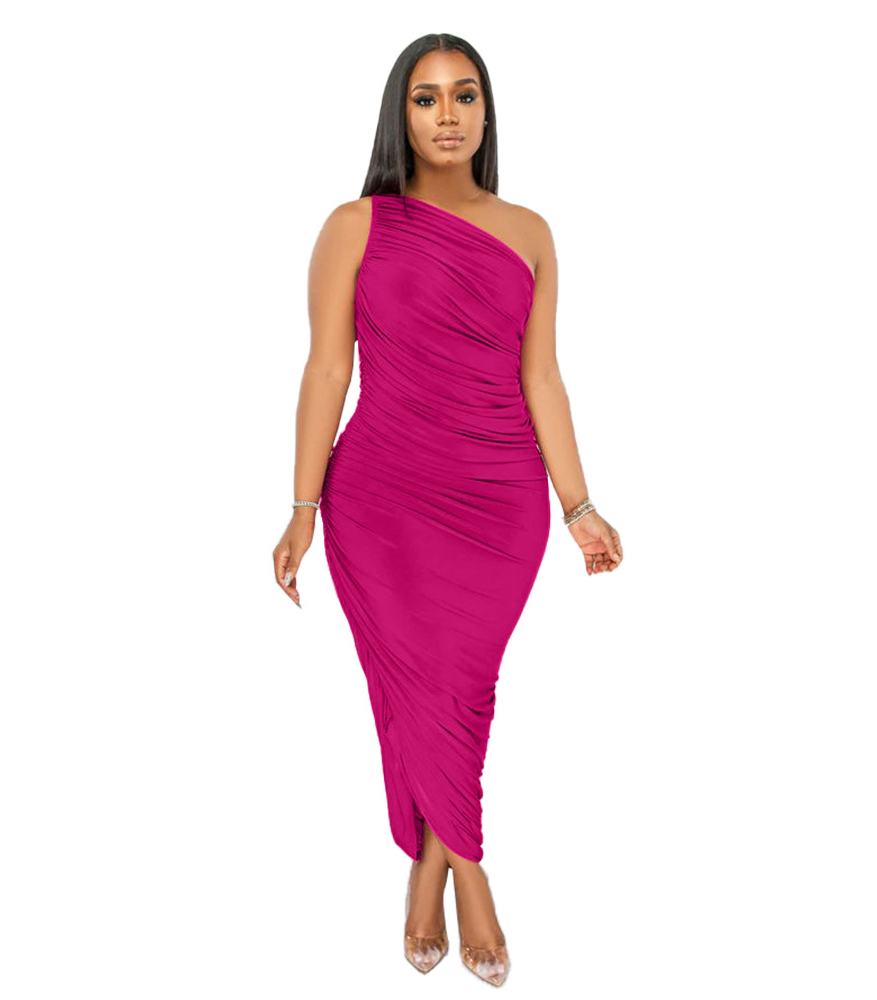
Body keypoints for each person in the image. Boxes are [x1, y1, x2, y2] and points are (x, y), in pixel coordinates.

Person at [272, 33, 623, 987]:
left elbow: (542, 376)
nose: (448, 115)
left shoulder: (530, 230)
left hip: (500, 501)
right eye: (425, 99)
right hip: (380, 500)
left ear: (486, 110)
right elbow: (327, 369)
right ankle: (469, 874)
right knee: (421, 689)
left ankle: (430, 865)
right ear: (401, 115)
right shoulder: (355, 224)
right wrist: (302, 506)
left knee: (460, 688)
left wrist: (580, 507)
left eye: (464, 95)